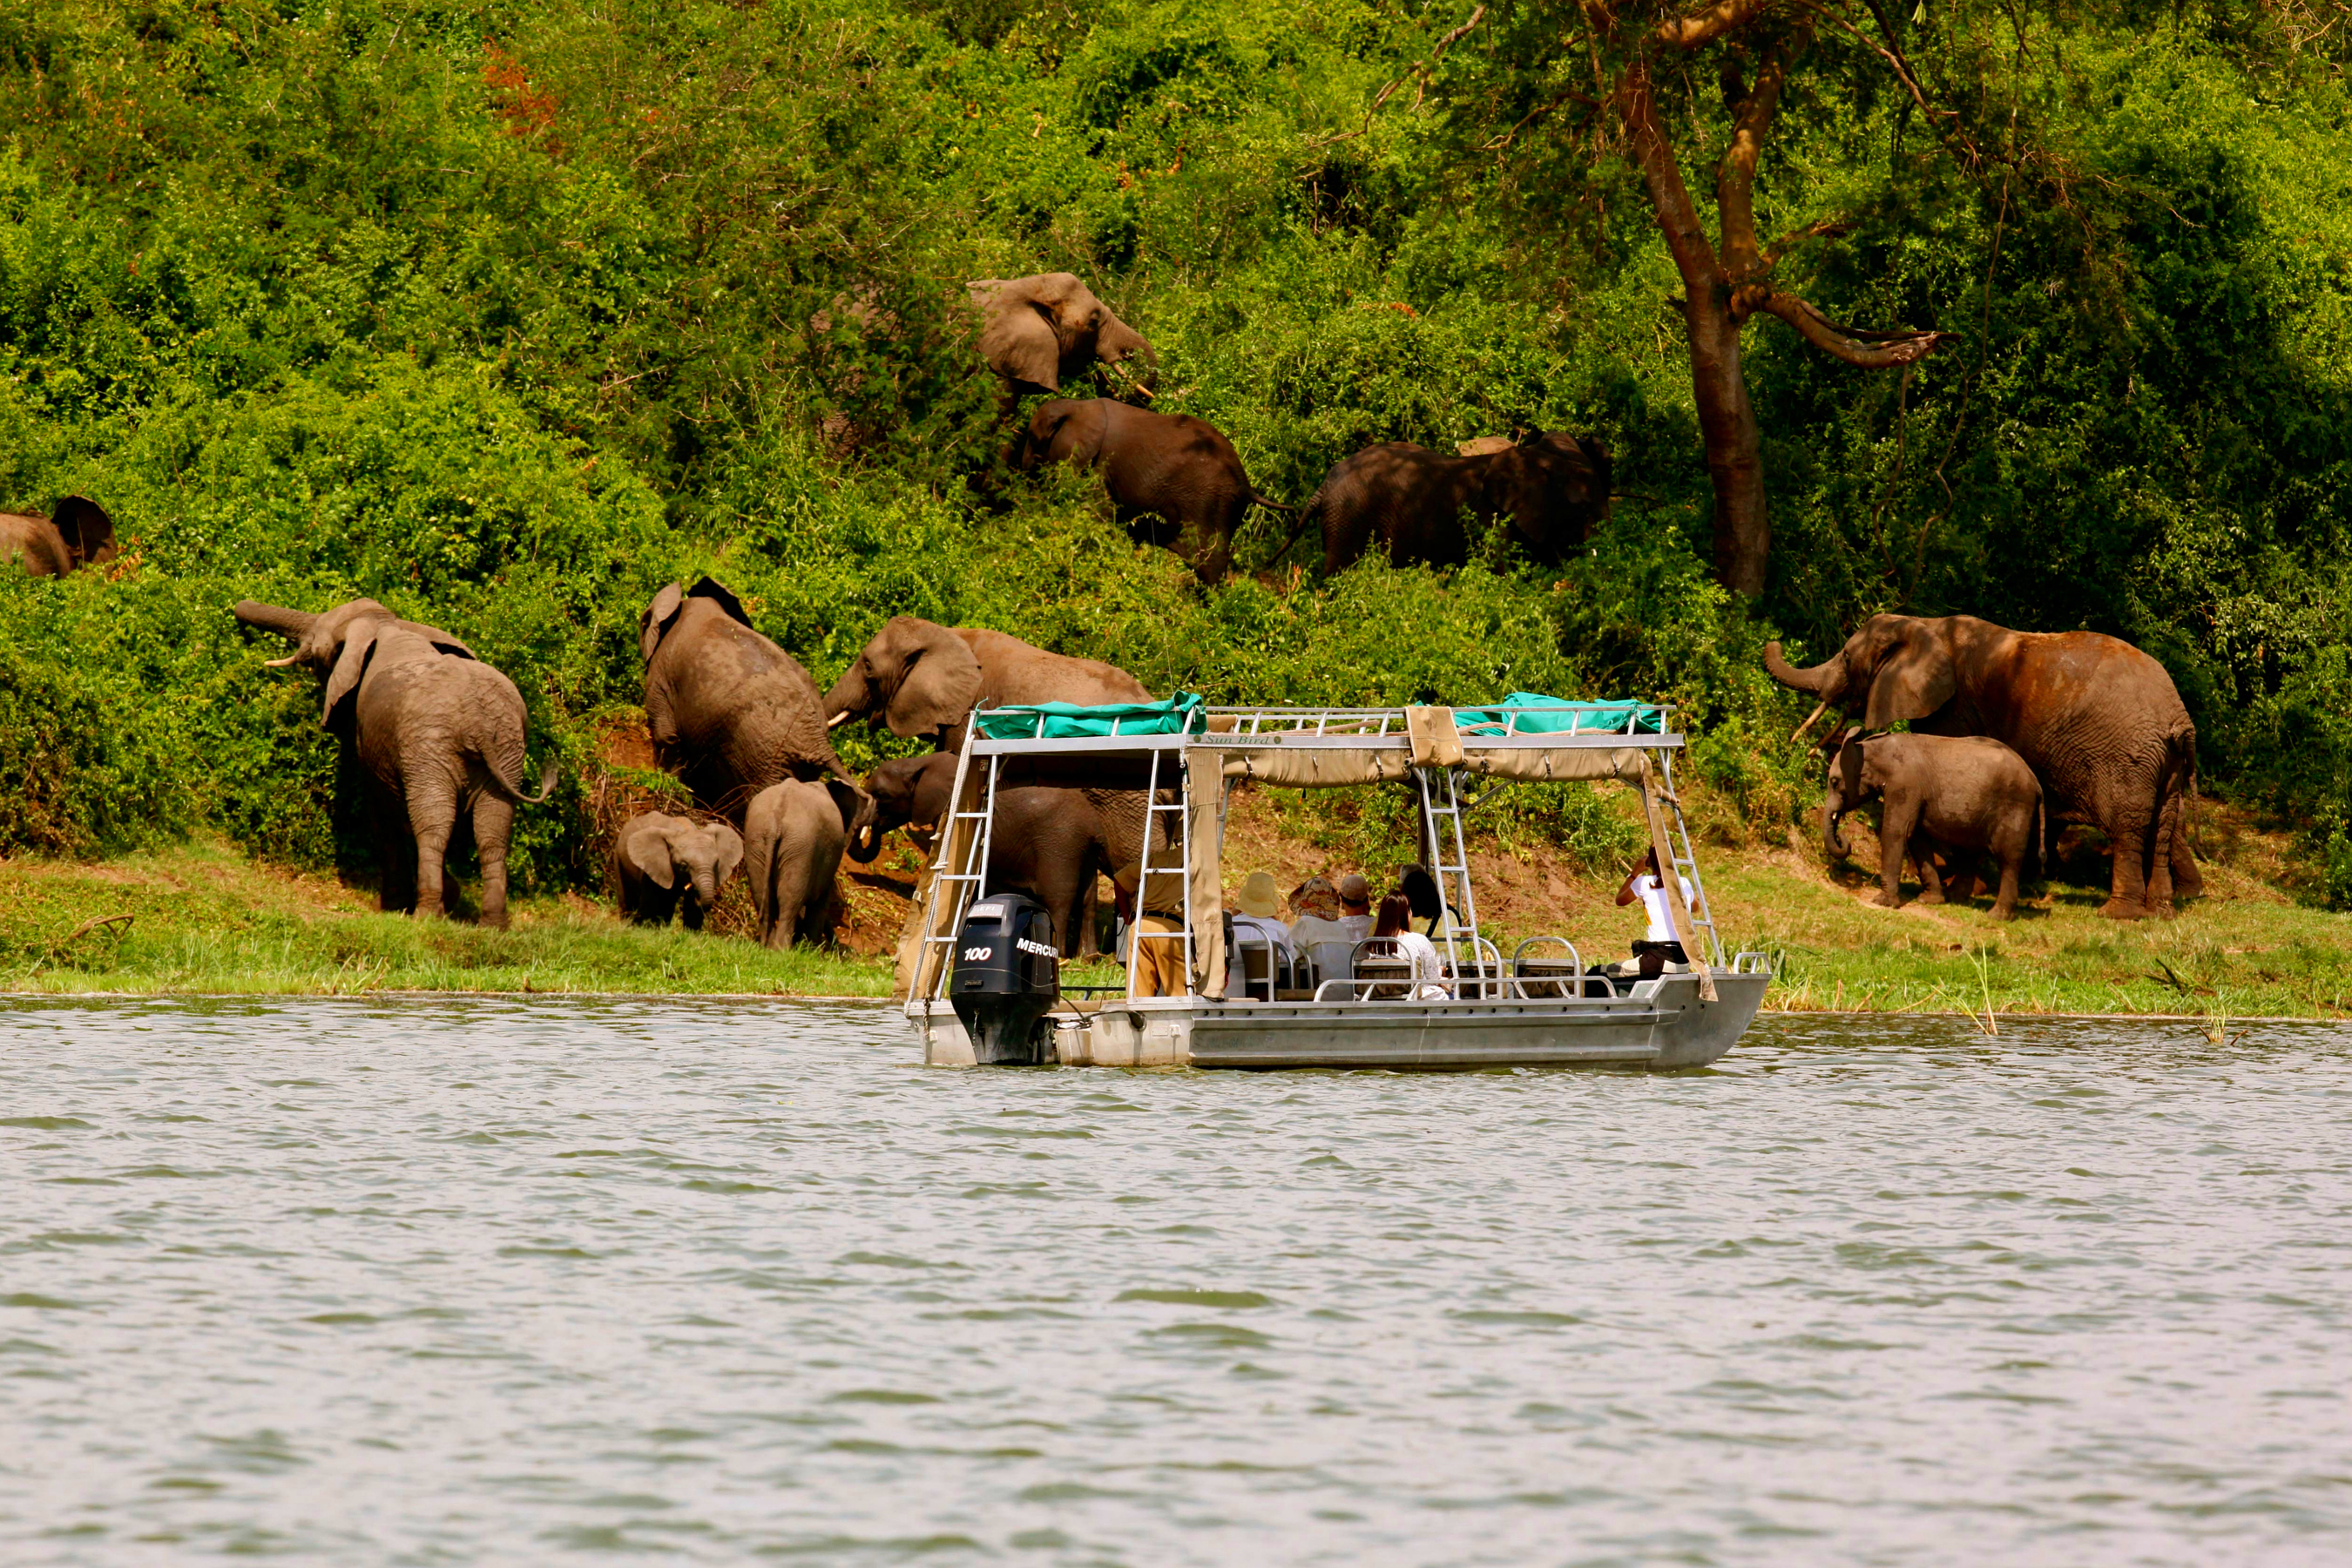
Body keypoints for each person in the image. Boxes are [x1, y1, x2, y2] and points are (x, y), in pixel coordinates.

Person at [1615, 848, 1694, 978]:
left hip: (1657, 958)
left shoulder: (1643, 883)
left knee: (1596, 973)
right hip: (1683, 957)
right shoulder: (1684, 883)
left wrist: (1635, 873)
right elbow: (1695, 906)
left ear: (1650, 862)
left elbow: (1620, 900)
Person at [1366, 891, 1450, 1000]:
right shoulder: (1418, 941)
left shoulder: (1372, 945)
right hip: (1414, 999)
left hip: (1379, 998)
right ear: (1406, 913)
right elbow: (1432, 979)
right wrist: (1440, 970)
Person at [1227, 871, 1297, 999]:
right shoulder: (1279, 928)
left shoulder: (1230, 925)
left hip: (1234, 988)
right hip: (1269, 991)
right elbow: (1289, 959)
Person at [1287, 875, 1359, 992]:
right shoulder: (1340, 925)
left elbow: (1289, 956)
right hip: (1347, 994)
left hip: (1320, 994)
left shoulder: (1306, 922)